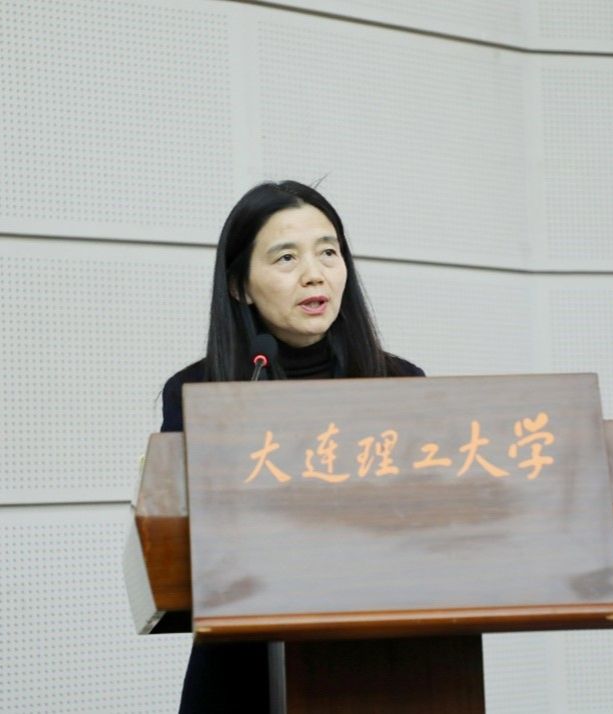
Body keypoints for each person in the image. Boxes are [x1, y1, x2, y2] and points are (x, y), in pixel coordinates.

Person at [158, 180, 423, 712]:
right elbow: (184, 539)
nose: (314, 273)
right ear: (240, 286)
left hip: (384, 661)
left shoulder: (400, 384)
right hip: (244, 667)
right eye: (286, 258)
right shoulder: (200, 392)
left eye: (328, 252)